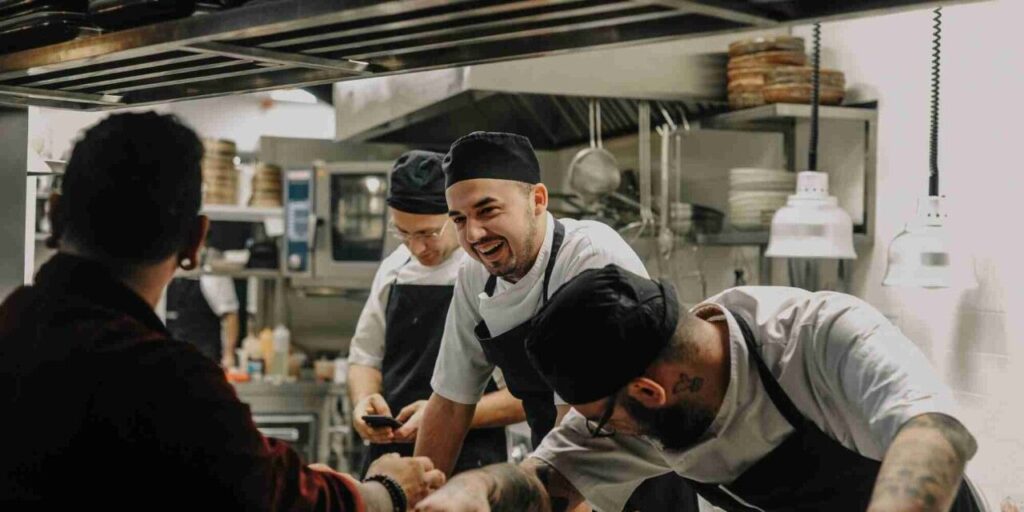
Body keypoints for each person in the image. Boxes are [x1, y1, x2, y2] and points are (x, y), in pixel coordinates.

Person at [0, 112, 444, 510]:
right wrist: (387, 489)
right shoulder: (168, 381)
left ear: (56, 217)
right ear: (196, 241)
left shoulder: (11, 325)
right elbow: (277, 500)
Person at [416, 265, 982, 512]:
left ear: (649, 392)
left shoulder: (819, 333)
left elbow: (933, 432)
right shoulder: (642, 409)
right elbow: (544, 483)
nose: (600, 433)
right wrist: (479, 490)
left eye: (600, 418)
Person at [413, 132, 697, 510]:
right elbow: (450, 403)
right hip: (555, 473)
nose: (474, 234)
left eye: (488, 211)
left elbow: (580, 421)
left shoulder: (589, 257)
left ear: (538, 200)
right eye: (460, 220)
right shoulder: (474, 274)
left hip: (633, 479)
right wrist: (420, 498)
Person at [347, 150, 524, 477]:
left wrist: (440, 414)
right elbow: (365, 357)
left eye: (428, 233)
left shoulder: (491, 274)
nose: (417, 248)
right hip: (389, 459)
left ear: (457, 217)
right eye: (404, 233)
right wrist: (365, 400)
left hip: (471, 464)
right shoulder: (393, 270)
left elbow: (524, 398)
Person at [166, 274, 240, 368]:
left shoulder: (214, 276)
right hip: (173, 357)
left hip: (205, 358)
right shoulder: (168, 274)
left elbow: (230, 316)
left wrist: (228, 355)